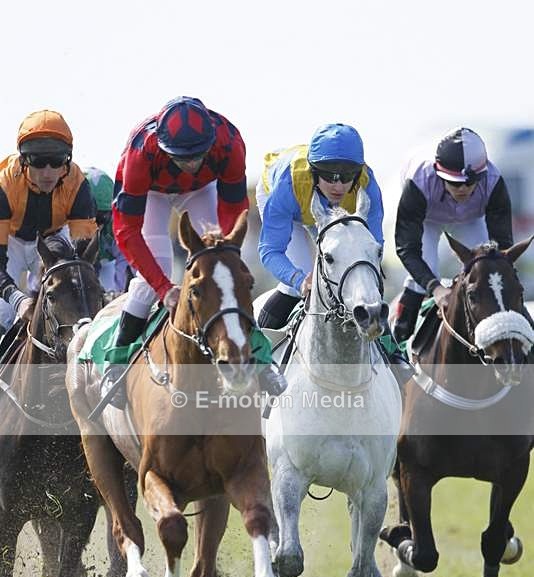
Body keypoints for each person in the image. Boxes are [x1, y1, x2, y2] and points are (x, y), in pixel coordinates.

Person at [105, 95, 285, 405]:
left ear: (210, 142)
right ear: (163, 146)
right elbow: (127, 232)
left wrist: (227, 253)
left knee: (226, 275)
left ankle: (260, 355)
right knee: (152, 278)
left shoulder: (229, 142)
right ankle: (115, 363)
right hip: (152, 194)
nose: (189, 163)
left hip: (201, 191)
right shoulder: (139, 153)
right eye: (181, 156)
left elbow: (234, 209)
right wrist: (164, 288)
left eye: (196, 155)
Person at [254, 122, 411, 378]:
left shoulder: (366, 186)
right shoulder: (287, 183)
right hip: (291, 206)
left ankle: (394, 355)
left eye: (346, 176)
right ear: (314, 172)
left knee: (359, 280)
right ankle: (257, 358)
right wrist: (297, 280)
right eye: (329, 175)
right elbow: (270, 251)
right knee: (300, 279)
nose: (338, 186)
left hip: (332, 215)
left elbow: (373, 247)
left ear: (357, 173)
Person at [393, 126, 516, 342]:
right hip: (427, 219)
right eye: (454, 183)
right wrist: (436, 288)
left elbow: (503, 249)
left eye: (470, 182)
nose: (463, 189)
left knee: (488, 271)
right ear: (439, 173)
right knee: (426, 267)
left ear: (482, 174)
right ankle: (398, 341)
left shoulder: (494, 182)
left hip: (470, 220)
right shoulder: (418, 181)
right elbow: (407, 248)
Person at [0, 110, 97, 337]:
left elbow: (84, 256)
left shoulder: (78, 185)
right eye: (38, 161)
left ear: (67, 160)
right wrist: (17, 299)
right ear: (24, 160)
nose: (47, 172)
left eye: (56, 161)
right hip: (10, 243)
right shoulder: (4, 185)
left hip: (52, 240)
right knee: (4, 313)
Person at [84, 167, 134, 295]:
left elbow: (125, 259)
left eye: (102, 217)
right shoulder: (64, 222)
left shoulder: (117, 222)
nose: (97, 224)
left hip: (105, 264)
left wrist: (119, 293)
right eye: (91, 216)